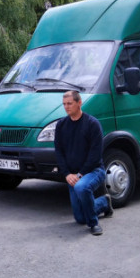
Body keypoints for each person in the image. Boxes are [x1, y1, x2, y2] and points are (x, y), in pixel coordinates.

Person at [54, 90, 113, 235]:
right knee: (80, 218)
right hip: (72, 176)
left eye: (70, 103)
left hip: (93, 171)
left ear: (79, 103)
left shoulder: (92, 124)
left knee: (81, 187)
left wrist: (79, 174)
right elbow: (59, 152)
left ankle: (94, 224)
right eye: (64, 104)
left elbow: (95, 155)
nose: (66, 107)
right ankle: (104, 203)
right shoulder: (61, 125)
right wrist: (67, 174)